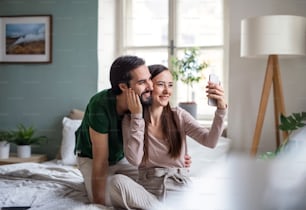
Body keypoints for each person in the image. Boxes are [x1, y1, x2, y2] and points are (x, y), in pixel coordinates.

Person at [74, 56, 191, 208]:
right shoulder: (100, 105)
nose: (150, 86)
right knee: (110, 195)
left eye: (149, 79)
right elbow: (101, 159)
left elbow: (159, 136)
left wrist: (177, 158)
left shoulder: (146, 99)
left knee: (151, 182)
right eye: (142, 82)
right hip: (92, 158)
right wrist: (98, 204)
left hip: (123, 158)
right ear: (123, 87)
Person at [109, 64, 227, 209]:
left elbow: (210, 141)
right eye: (160, 84)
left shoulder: (179, 115)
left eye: (170, 85)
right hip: (147, 193)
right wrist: (137, 116)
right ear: (148, 88)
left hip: (179, 191)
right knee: (116, 182)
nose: (167, 91)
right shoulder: (132, 120)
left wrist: (221, 109)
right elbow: (135, 159)